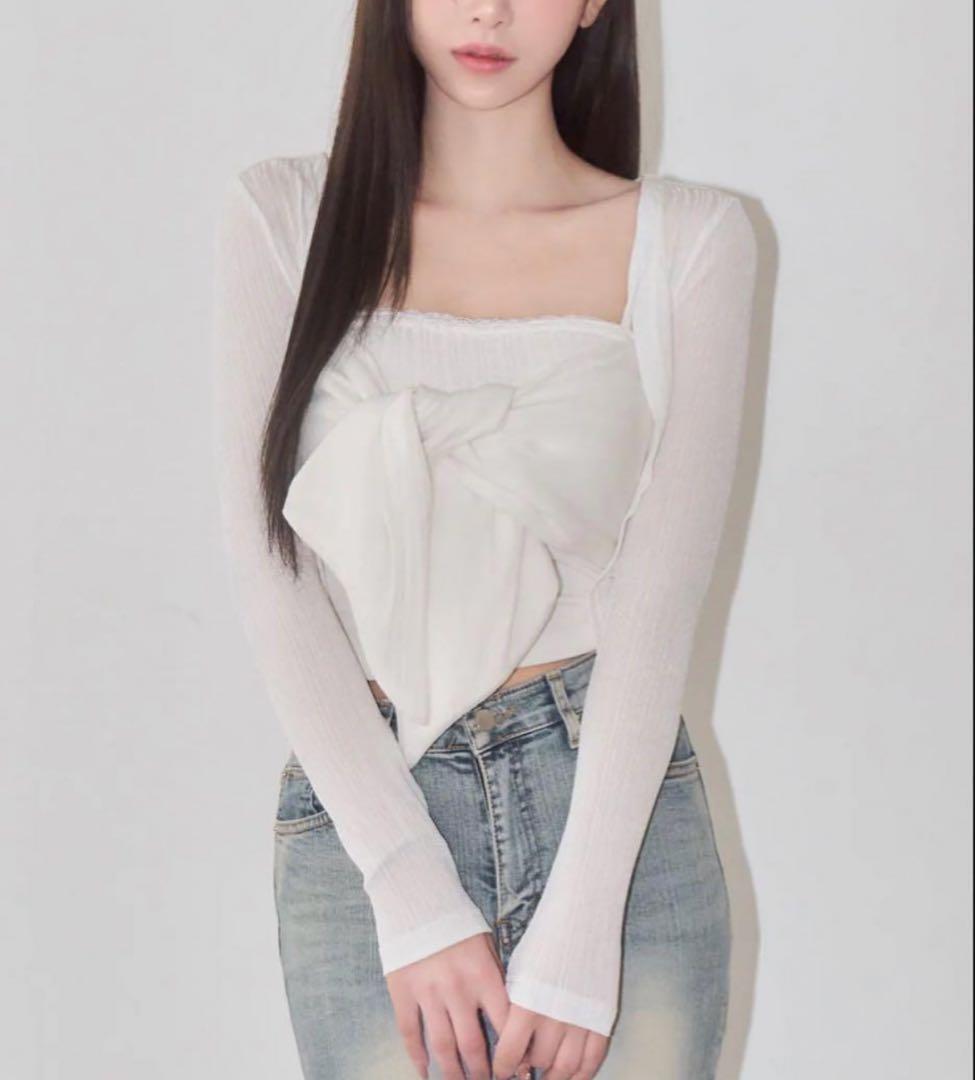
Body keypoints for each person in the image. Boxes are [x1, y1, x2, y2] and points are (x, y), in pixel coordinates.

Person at [210, 2, 758, 1078]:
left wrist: (584, 921)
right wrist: (409, 888)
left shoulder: (692, 239)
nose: (489, 10)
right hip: (368, 801)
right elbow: (270, 566)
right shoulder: (282, 215)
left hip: (615, 811)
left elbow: (658, 598)